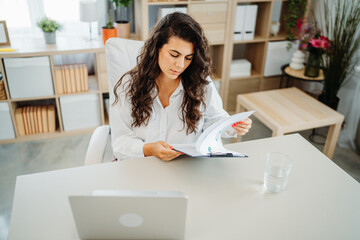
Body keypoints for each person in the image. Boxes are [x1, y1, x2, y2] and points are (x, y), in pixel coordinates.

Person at [110, 12, 252, 161]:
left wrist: (232, 125)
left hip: (185, 167)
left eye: (188, 58)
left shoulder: (200, 84)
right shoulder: (128, 85)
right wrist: (149, 149)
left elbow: (214, 119)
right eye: (174, 55)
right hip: (141, 166)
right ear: (156, 48)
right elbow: (120, 142)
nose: (180, 65)